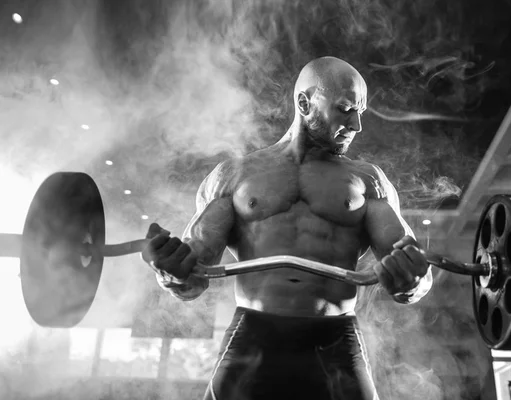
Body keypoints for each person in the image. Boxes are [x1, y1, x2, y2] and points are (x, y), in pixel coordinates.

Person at [143, 56, 433, 400]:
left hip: (334, 338)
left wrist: (412, 281)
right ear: (304, 102)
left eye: (360, 112)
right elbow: (193, 276)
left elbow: (414, 271)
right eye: (344, 109)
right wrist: (171, 270)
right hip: (255, 334)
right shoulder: (236, 175)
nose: (356, 125)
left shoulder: (367, 181)